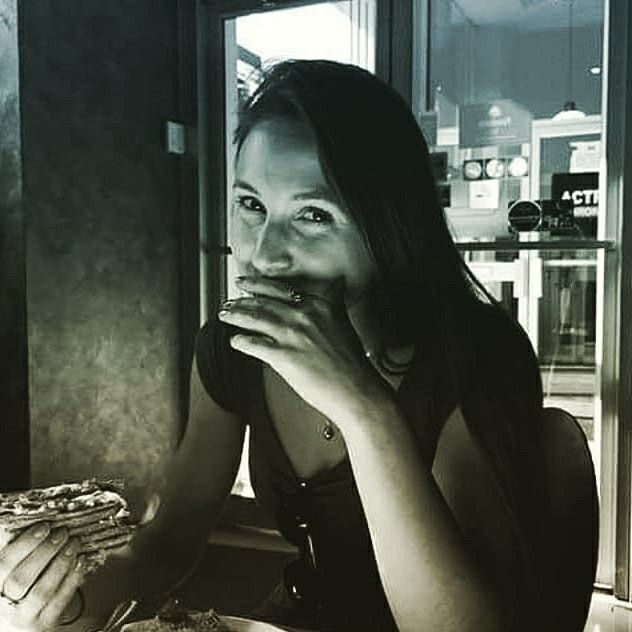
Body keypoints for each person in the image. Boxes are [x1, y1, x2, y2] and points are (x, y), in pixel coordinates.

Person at [0, 59, 548, 632]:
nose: (265, 254)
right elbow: (168, 543)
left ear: (392, 225)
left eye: (313, 215)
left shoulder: (476, 353)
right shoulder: (232, 349)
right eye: (251, 205)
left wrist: (365, 411)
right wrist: (66, 608)